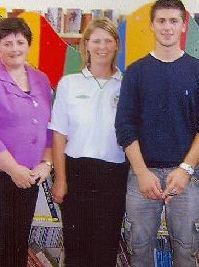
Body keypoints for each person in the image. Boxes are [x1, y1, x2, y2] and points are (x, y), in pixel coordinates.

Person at [115, 0, 199, 267]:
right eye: (161, 21)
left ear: (184, 25)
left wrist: (185, 169)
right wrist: (141, 172)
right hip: (142, 177)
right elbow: (124, 126)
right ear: (152, 25)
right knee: (139, 250)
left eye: (174, 21)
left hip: (185, 178)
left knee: (186, 250)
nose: (167, 27)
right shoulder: (136, 72)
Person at [0, 17, 53, 267]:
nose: (15, 48)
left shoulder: (41, 79)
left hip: (28, 177)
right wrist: (13, 169)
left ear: (28, 44)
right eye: (7, 43)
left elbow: (49, 126)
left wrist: (46, 164)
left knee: (17, 245)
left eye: (20, 42)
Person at [50, 17, 128, 267]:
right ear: (86, 45)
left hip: (114, 174)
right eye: (96, 40)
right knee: (76, 248)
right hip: (76, 172)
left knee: (105, 248)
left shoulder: (127, 85)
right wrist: (61, 180)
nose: (102, 46)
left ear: (117, 45)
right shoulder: (69, 84)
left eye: (108, 40)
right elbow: (59, 135)